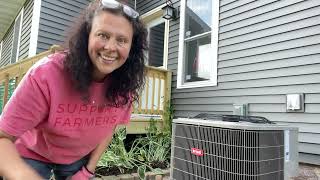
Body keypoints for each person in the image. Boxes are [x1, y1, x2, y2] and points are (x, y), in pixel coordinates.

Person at [0, 0, 147, 179]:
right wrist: (23, 175)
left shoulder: (126, 85)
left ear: (132, 48)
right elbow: (3, 136)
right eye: (102, 35)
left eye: (122, 40)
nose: (110, 48)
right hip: (33, 152)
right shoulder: (46, 74)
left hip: (76, 157)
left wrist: (87, 171)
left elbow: (110, 128)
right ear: (87, 36)